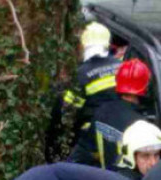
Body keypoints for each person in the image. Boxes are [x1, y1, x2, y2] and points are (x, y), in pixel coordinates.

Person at [44, 22, 120, 162]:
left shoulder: (81, 75)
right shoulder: (120, 65)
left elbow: (67, 112)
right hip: (120, 131)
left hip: (92, 139)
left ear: (83, 45)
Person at [69, 58, 152, 169]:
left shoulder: (101, 112)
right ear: (145, 88)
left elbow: (82, 152)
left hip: (105, 179)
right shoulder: (140, 125)